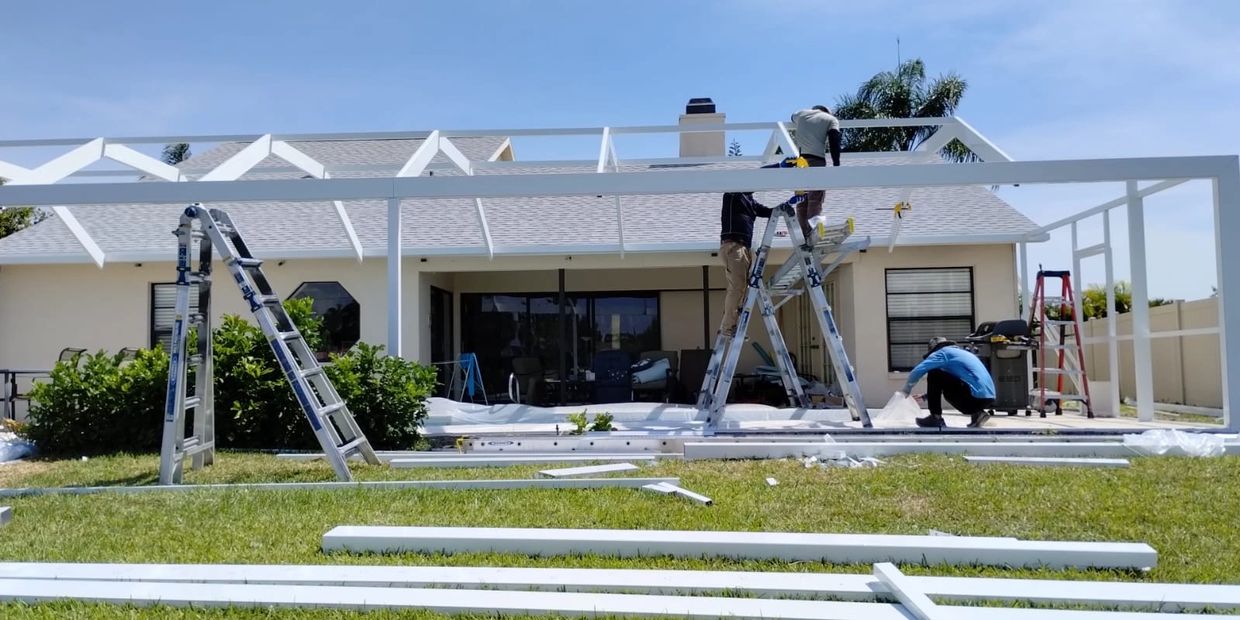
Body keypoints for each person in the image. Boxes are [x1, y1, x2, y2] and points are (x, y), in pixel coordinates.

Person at [900, 337, 996, 429]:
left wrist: (906, 390)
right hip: (987, 398)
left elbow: (918, 370)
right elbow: (954, 384)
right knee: (942, 376)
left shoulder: (942, 353)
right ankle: (978, 414)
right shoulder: (961, 353)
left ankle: (935, 417)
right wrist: (926, 396)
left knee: (934, 373)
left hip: (974, 397)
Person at [717, 191, 774, 337]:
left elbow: (769, 212)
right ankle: (728, 327)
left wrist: (789, 204)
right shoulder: (733, 195)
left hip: (743, 248)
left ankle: (732, 325)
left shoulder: (751, 202)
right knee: (737, 288)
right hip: (733, 246)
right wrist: (779, 166)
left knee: (742, 288)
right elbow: (755, 178)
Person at [789, 105, 842, 242]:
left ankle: (803, 234)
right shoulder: (831, 120)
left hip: (800, 162)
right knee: (815, 197)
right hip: (817, 160)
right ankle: (813, 232)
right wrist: (836, 164)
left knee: (802, 199)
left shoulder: (801, 114)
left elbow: (792, 117)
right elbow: (834, 141)